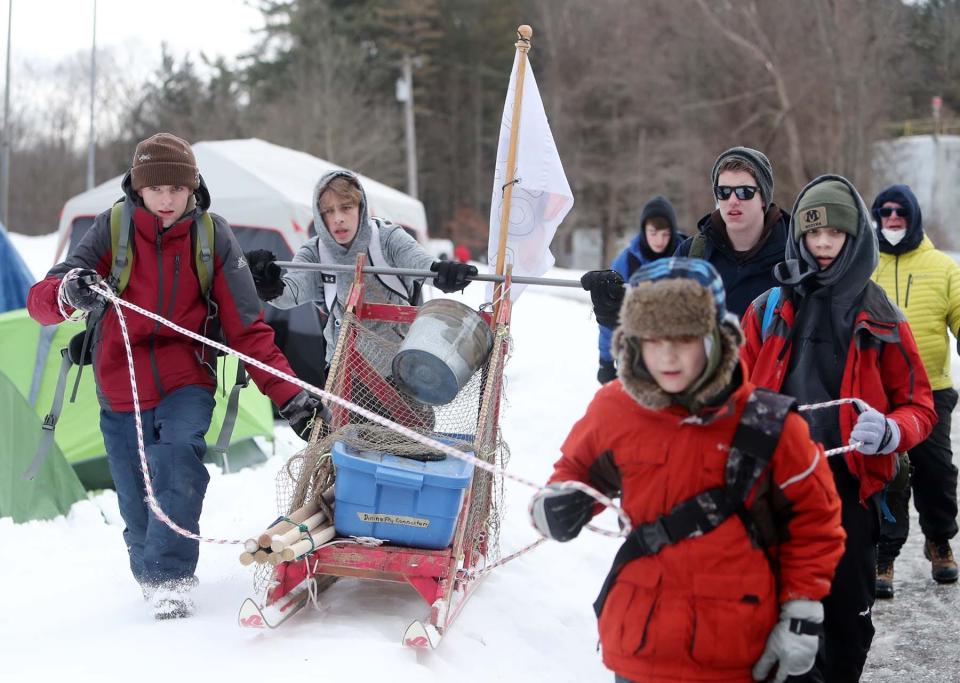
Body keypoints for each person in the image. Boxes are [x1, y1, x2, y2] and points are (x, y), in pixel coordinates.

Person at [26, 133, 321, 620]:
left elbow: (249, 330)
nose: (166, 199)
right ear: (138, 188)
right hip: (120, 382)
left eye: (177, 189)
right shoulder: (112, 229)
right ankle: (151, 572)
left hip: (188, 376)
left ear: (193, 188)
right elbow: (44, 299)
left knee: (178, 461)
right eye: (156, 188)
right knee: (135, 499)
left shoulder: (213, 236)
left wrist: (293, 399)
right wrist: (69, 292)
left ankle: (171, 579)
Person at [532, 258, 845, 683]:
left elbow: (816, 523)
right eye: (653, 339)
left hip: (737, 652)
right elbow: (575, 471)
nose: (667, 355)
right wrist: (558, 505)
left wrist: (801, 613)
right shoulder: (613, 408)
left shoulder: (771, 425)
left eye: (684, 337)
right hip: (639, 648)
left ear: (716, 337)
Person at [741, 175, 937, 680]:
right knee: (773, 624)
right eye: (812, 234)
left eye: (835, 234)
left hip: (852, 491)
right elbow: (726, 395)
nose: (823, 244)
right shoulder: (766, 310)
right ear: (798, 238)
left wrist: (892, 431)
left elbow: (919, 404)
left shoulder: (884, 316)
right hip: (775, 490)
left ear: (855, 238)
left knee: (847, 628)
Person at [246, 170, 477, 379]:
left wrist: (444, 274)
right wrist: (268, 283)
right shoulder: (314, 252)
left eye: (346, 207)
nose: (338, 218)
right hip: (343, 373)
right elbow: (290, 293)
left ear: (360, 207)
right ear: (320, 216)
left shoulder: (387, 238)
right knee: (340, 427)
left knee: (409, 427)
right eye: (329, 211)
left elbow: (423, 265)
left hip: (400, 372)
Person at [580, 147, 789, 335]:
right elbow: (658, 319)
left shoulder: (793, 254)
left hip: (770, 377)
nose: (732, 200)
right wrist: (616, 308)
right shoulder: (693, 254)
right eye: (723, 192)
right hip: (706, 377)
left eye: (744, 192)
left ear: (763, 198)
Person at [870, 184, 960, 596]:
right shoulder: (863, 265)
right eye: (884, 212)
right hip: (880, 391)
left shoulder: (944, 267)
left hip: (933, 389)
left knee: (936, 470)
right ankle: (883, 556)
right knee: (890, 475)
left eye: (899, 212)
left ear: (913, 216)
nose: (891, 219)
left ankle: (940, 540)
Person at [594, 196, 680, 384]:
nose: (659, 240)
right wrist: (606, 361)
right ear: (644, 230)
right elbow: (609, 315)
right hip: (635, 355)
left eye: (665, 234)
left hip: (677, 355)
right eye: (653, 233)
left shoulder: (686, 255)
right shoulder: (626, 262)